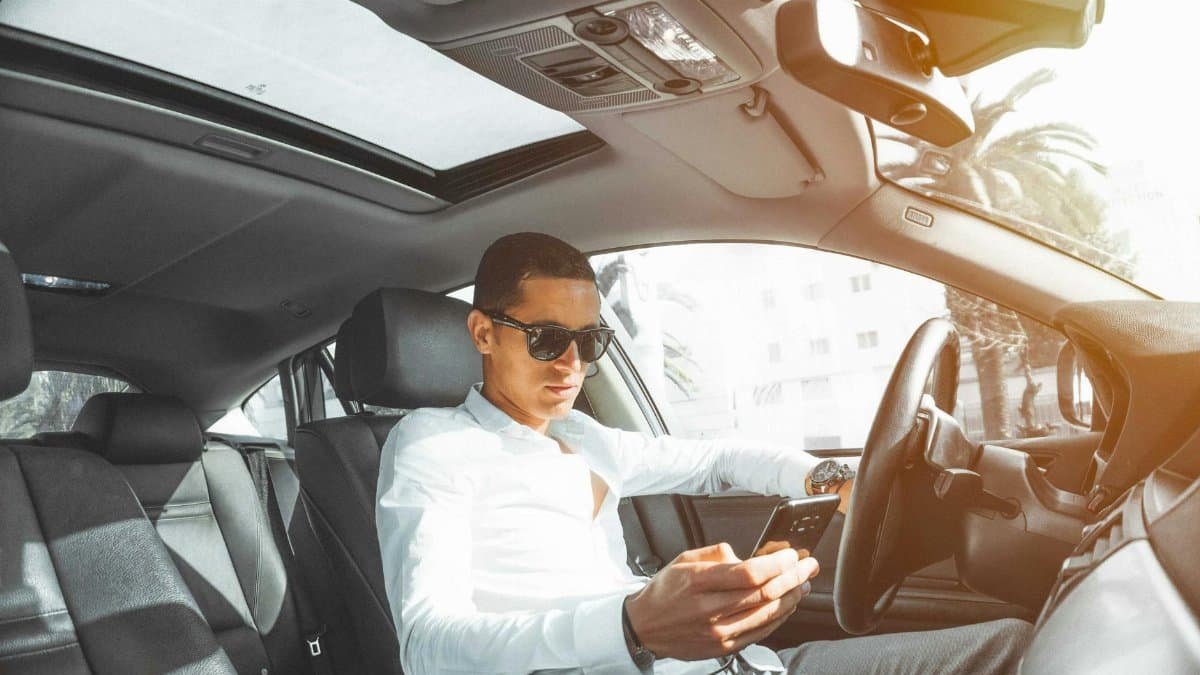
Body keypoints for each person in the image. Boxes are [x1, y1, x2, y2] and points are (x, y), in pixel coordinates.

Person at [376, 232, 1031, 674]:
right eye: (548, 339)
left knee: (1009, 645)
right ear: (483, 332)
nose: (575, 365)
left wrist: (833, 479)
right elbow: (427, 646)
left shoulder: (586, 437)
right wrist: (632, 625)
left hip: (739, 666)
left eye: (590, 339)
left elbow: (717, 460)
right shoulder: (431, 445)